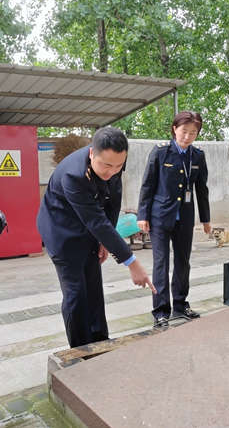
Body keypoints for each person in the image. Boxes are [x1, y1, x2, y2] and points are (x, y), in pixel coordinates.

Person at [37, 127, 156, 348]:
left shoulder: (114, 161)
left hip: (88, 228)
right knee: (76, 293)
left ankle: (100, 341)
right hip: (61, 231)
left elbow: (113, 201)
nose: (112, 171)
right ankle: (82, 349)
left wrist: (104, 241)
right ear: (92, 153)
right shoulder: (74, 175)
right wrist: (131, 262)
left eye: (118, 166)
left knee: (93, 288)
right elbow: (96, 221)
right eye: (107, 166)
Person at [137, 110, 211, 328]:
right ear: (174, 129)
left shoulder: (198, 155)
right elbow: (148, 184)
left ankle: (180, 304)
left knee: (183, 262)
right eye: (184, 131)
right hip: (160, 217)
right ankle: (160, 311)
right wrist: (143, 215)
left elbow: (202, 189)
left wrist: (205, 219)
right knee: (161, 263)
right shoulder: (161, 151)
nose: (187, 137)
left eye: (193, 132)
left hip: (185, 217)